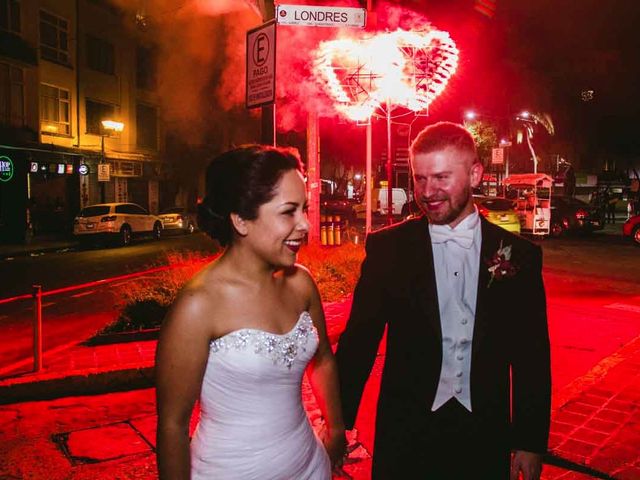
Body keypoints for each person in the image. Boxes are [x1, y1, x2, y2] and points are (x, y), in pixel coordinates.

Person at [336, 122, 551, 479]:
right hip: (406, 432)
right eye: (420, 179)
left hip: (484, 431)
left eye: (441, 178)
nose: (428, 191)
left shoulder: (519, 255)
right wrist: (339, 426)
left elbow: (531, 354)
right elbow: (359, 342)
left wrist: (529, 441)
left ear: (475, 174)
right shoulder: (389, 249)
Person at [155, 145, 346, 480]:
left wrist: (336, 430)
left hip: (310, 465)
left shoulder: (301, 284)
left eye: (305, 209)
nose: (305, 224)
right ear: (241, 220)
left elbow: (324, 360)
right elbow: (172, 425)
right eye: (289, 212)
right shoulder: (198, 306)